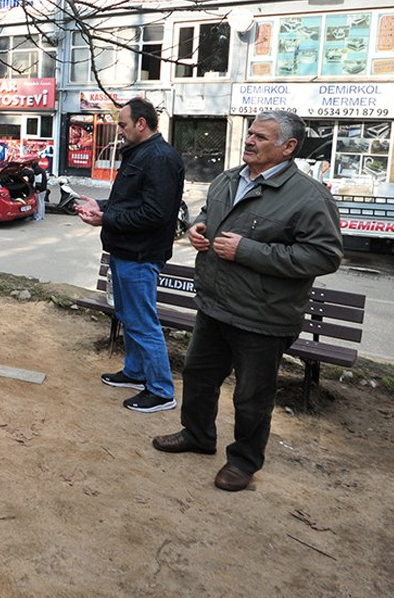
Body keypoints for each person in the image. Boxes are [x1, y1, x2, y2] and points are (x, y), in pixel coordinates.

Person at [152, 110, 342, 492]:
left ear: (288, 147)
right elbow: (210, 215)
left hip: (263, 317)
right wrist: (198, 228)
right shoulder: (227, 180)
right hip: (215, 305)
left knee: (252, 397)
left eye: (261, 137)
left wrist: (248, 251)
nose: (250, 141)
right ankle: (198, 434)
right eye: (250, 133)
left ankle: (243, 461)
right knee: (199, 376)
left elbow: (324, 256)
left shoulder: (309, 196)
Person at [76, 96, 185, 413]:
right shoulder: (141, 153)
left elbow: (155, 213)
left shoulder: (160, 159)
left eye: (122, 124)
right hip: (125, 251)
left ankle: (162, 390)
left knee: (142, 321)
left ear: (141, 123)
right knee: (129, 316)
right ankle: (136, 373)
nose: (118, 130)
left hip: (141, 256)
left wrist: (105, 218)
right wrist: (102, 207)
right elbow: (131, 203)